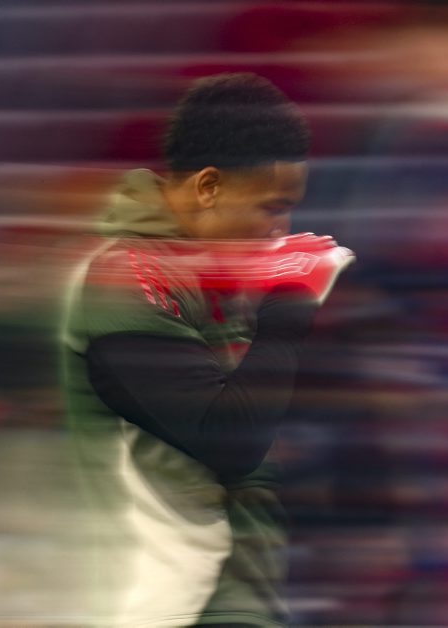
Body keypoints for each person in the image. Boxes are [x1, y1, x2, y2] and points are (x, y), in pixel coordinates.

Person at [59, 73, 351, 627]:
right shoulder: (127, 279)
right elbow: (228, 439)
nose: (282, 229)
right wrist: (293, 299)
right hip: (167, 606)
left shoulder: (214, 274)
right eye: (271, 208)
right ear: (209, 187)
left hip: (233, 595)